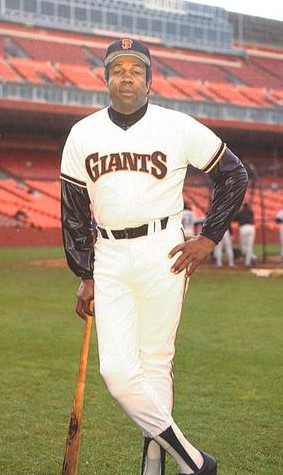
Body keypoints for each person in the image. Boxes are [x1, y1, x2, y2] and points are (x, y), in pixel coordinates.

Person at [60, 38, 248, 475]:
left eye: (136, 69)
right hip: (108, 256)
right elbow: (72, 210)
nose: (127, 76)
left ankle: (154, 464)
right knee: (118, 373)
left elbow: (234, 174)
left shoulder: (177, 125)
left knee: (156, 361)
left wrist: (209, 237)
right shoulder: (82, 133)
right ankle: (196, 461)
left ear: (149, 78)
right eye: (118, 69)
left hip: (163, 251)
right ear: (105, 78)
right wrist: (84, 273)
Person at [234, 202, 256, 267]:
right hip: (251, 228)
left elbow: (234, 219)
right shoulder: (250, 212)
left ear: (243, 207)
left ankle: (253, 257)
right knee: (250, 246)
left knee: (243, 248)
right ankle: (248, 261)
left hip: (243, 228)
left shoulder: (240, 213)